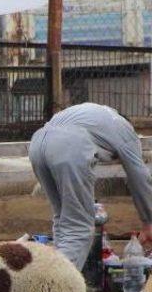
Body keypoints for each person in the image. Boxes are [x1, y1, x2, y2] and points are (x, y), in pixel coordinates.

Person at [29, 102, 152, 270]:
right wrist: (149, 221)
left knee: (62, 218)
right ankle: (58, 287)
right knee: (80, 226)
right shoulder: (125, 130)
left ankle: (52, 277)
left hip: (37, 144)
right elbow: (139, 175)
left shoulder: (95, 115)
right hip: (69, 146)